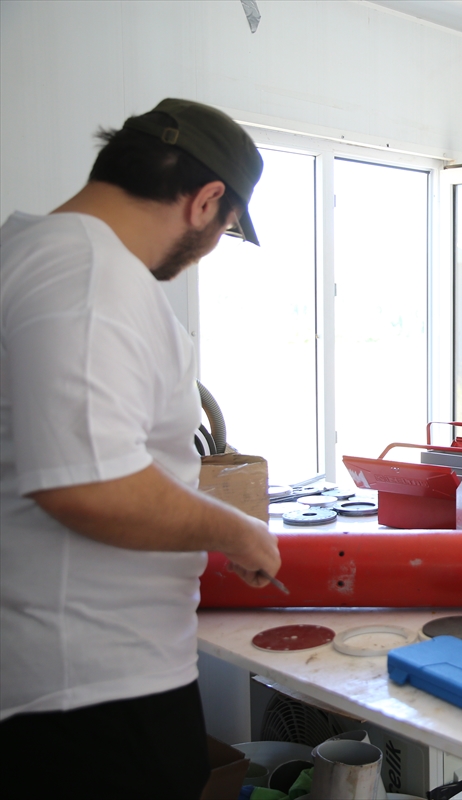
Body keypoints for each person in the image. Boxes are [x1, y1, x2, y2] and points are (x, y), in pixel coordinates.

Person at [0, 99, 282, 799]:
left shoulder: (28, 248)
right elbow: (88, 486)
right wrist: (236, 530)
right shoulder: (92, 277)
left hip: (60, 679)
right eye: (224, 229)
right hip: (93, 693)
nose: (210, 248)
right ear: (207, 201)